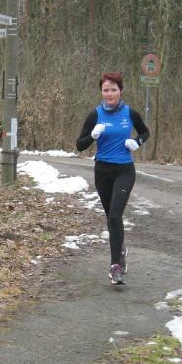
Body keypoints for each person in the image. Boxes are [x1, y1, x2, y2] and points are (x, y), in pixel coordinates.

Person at [76, 72, 149, 286]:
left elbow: (145, 132)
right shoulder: (95, 115)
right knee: (111, 218)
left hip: (124, 170)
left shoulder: (130, 113)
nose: (109, 94)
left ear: (120, 91)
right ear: (101, 92)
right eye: (105, 90)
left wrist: (137, 142)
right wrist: (93, 136)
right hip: (102, 171)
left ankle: (115, 266)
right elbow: (80, 145)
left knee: (116, 215)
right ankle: (120, 251)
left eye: (113, 90)